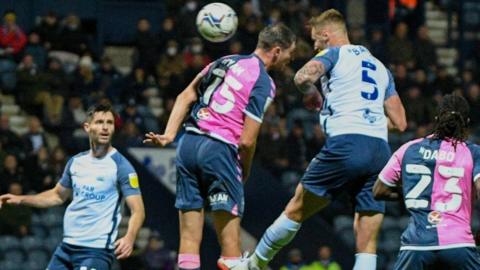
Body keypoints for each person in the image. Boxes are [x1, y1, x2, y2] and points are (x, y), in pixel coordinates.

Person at [237, 9, 406, 270]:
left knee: (296, 208)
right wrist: (366, 117)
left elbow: (302, 76)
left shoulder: (333, 54)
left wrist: (313, 93)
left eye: (316, 40)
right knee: (367, 236)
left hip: (346, 144)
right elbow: (400, 123)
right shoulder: (381, 67)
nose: (314, 46)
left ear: (327, 35)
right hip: (379, 152)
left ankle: (255, 264)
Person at [143, 24, 296, 270]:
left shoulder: (225, 61)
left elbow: (187, 95)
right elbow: (247, 140)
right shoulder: (264, 82)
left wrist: (169, 134)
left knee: (189, 240)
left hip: (188, 143)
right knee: (230, 250)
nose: (290, 59)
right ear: (277, 51)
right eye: (290, 54)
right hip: (220, 150)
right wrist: (244, 169)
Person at [0, 103, 146, 270]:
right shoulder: (76, 162)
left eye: (109, 123)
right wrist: (20, 199)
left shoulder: (122, 166)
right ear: (87, 127)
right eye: (99, 122)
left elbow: (138, 210)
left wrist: (130, 237)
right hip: (66, 247)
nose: (105, 127)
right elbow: (56, 196)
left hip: (96, 251)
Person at [373, 94, 480, 270]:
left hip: (416, 246)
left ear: (436, 119)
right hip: (458, 244)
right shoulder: (473, 152)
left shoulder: (408, 149)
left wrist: (417, 194)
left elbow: (378, 191)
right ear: (466, 122)